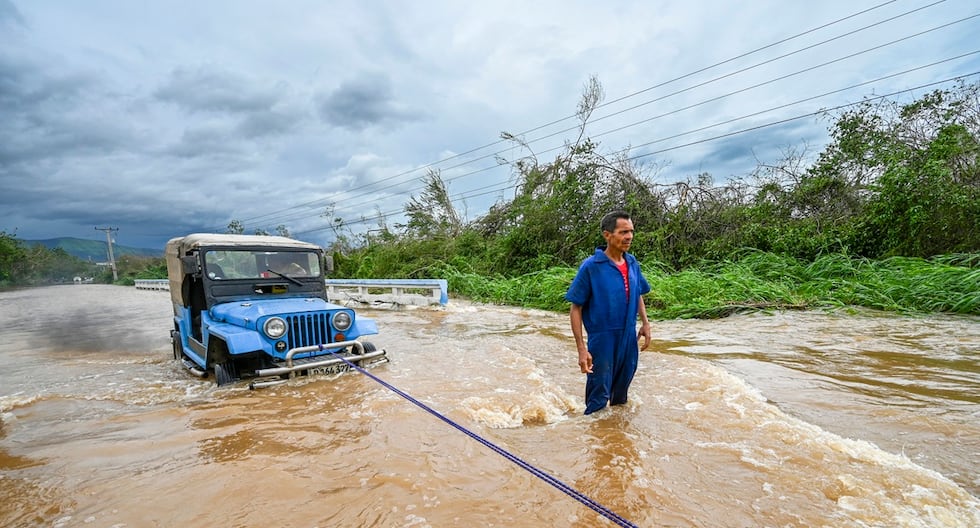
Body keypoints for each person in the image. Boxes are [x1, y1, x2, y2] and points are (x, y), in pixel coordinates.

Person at [565, 211, 652, 415]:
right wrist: (581, 348)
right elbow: (575, 308)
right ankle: (594, 443)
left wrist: (645, 323)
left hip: (628, 339)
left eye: (631, 231)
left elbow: (639, 291)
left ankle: (616, 442)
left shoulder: (632, 263)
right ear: (607, 235)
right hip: (602, 341)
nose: (629, 236)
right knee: (598, 401)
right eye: (623, 232)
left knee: (621, 399)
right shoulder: (591, 267)